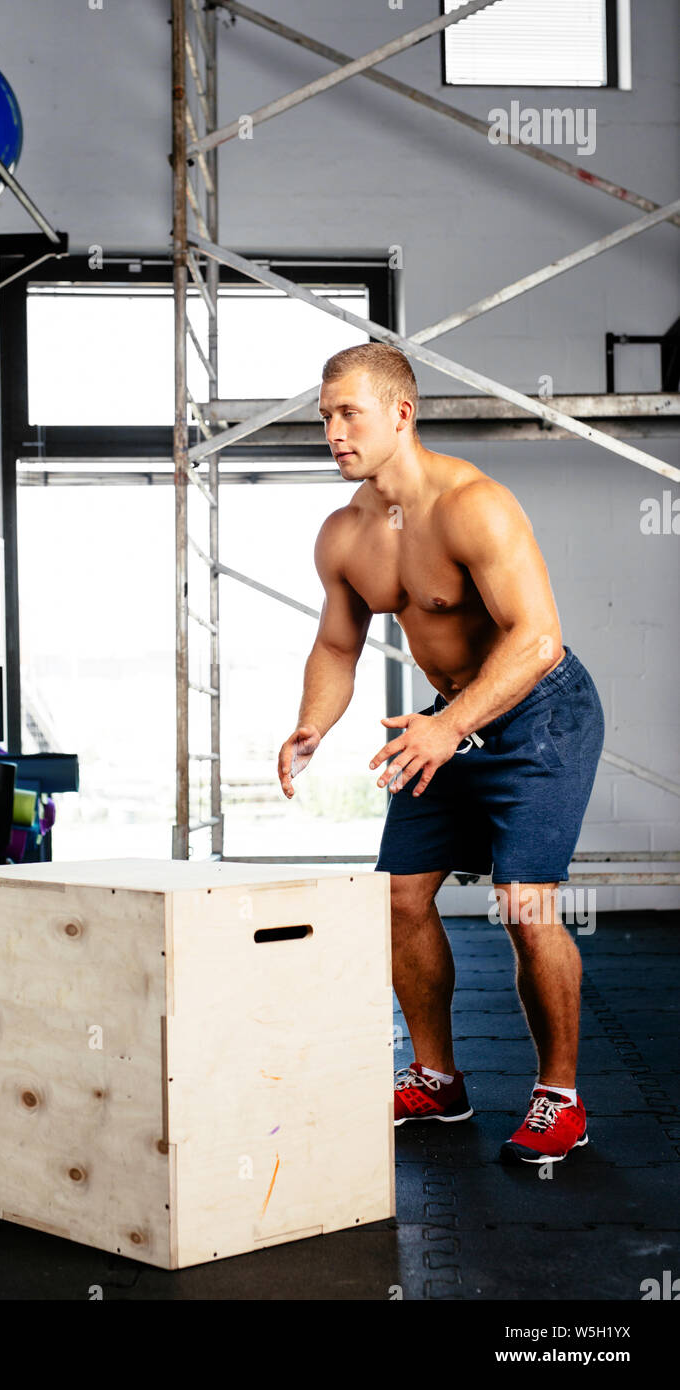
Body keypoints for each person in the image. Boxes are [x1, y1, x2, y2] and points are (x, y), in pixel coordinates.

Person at [277, 342, 605, 1165]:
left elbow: (537, 640)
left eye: (349, 413)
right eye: (324, 417)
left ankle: (560, 1095)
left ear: (401, 413)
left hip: (539, 713)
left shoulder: (473, 506)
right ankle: (436, 1078)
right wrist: (312, 724)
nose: (334, 432)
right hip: (448, 721)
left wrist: (451, 726)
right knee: (397, 898)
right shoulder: (346, 535)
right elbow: (337, 648)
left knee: (525, 907)